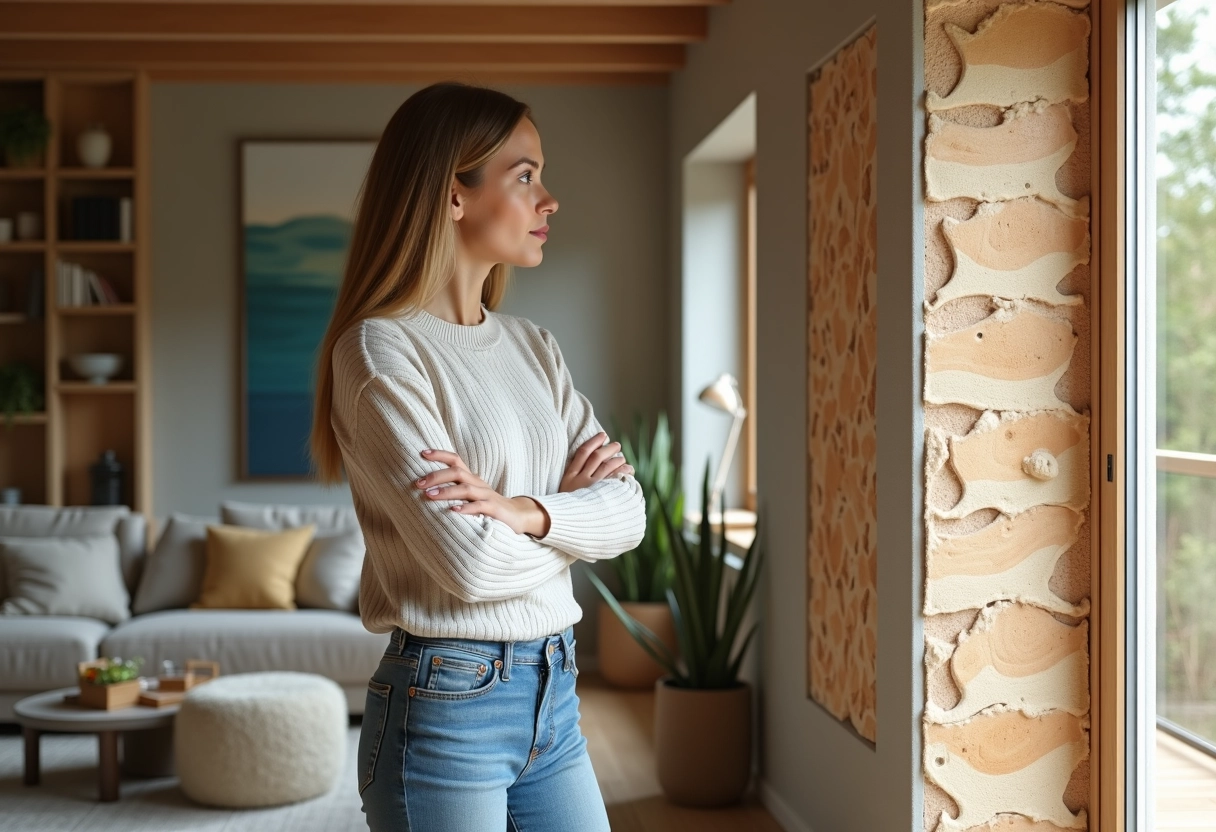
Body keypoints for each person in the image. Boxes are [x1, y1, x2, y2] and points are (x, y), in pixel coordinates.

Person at [309, 81, 647, 832]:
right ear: (452, 196)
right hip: (445, 708)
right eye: (524, 176)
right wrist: (568, 532)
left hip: (555, 696)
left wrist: (523, 512)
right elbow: (468, 568)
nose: (549, 199)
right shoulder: (378, 351)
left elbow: (630, 515)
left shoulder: (535, 348)